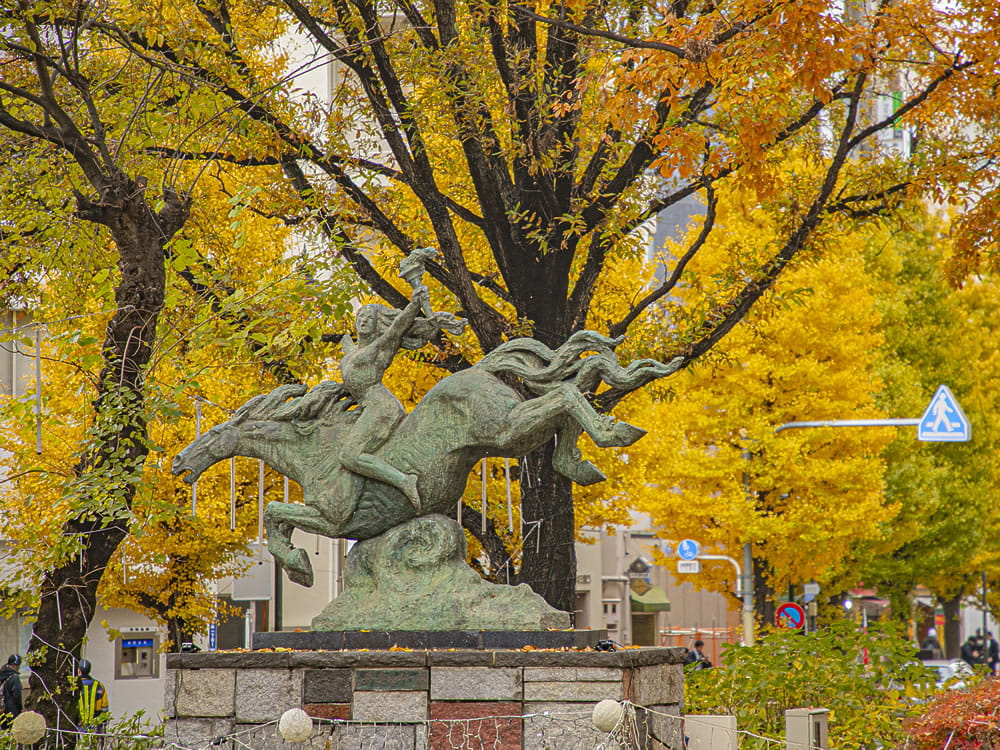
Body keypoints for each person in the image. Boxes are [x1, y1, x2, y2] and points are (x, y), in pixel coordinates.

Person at [74, 659, 109, 733]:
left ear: (79, 671)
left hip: (78, 726)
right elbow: (105, 707)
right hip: (96, 725)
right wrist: (103, 724)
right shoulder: (99, 685)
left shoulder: (74, 686)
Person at [0, 654, 22, 728]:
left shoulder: (2, 674)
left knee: (4, 731)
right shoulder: (15, 678)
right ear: (16, 665)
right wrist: (19, 709)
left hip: (2, 710)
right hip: (12, 711)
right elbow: (17, 695)